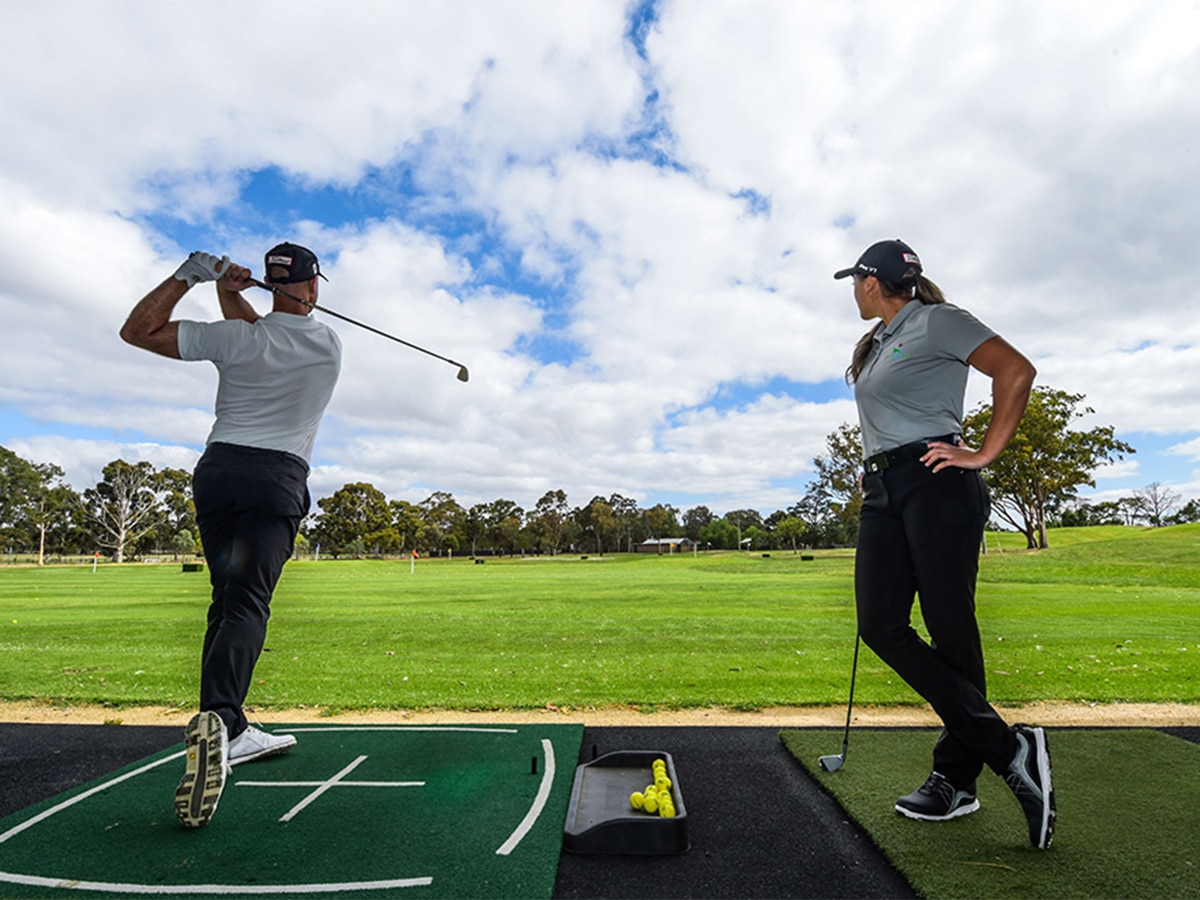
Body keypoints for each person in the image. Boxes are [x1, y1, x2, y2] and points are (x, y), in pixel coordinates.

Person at [835, 238, 1055, 849]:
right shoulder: (878, 341)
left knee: (950, 629)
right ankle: (1007, 747)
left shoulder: (938, 320)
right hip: (886, 490)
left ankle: (957, 779)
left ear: (872, 281)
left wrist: (983, 452)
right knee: (879, 624)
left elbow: (1016, 370)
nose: (854, 291)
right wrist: (875, 465)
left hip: (938, 484)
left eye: (855, 281)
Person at [120, 243, 342, 827]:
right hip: (275, 479)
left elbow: (137, 332)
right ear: (313, 288)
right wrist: (233, 291)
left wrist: (191, 278)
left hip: (218, 475)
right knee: (247, 603)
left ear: (271, 287)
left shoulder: (236, 341)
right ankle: (221, 720)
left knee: (226, 601)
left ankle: (228, 726)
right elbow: (260, 331)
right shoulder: (326, 345)